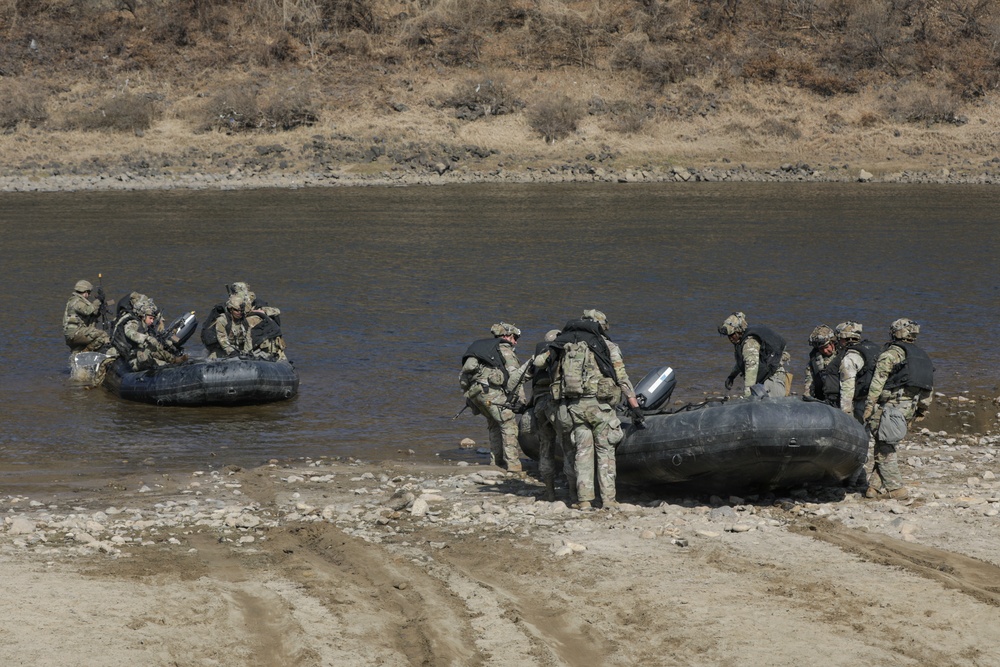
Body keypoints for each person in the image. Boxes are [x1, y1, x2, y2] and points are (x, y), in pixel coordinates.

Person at [545, 310, 641, 511]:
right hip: (600, 407)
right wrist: (634, 405)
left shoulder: (565, 345)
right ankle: (608, 500)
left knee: (583, 452)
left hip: (575, 407)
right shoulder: (607, 346)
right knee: (605, 451)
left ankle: (584, 500)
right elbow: (622, 377)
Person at [861, 318, 934, 500]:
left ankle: (896, 489)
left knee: (884, 448)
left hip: (891, 407)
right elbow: (927, 387)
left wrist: (869, 406)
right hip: (910, 408)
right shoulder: (922, 356)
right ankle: (874, 488)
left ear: (895, 332)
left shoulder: (891, 354)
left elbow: (878, 382)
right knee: (888, 443)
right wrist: (922, 409)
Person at [460, 322, 531, 473]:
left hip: (475, 394)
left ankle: (496, 462)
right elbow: (516, 377)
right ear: (508, 336)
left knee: (494, 424)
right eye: (515, 337)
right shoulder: (505, 350)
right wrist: (522, 401)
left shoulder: (484, 350)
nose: (516, 341)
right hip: (491, 393)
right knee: (508, 424)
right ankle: (513, 464)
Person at [528, 329, 562, 501]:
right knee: (570, 448)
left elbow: (517, 378)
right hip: (558, 404)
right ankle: (574, 491)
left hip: (540, 404)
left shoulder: (538, 356)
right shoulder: (565, 351)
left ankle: (549, 492)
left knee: (546, 448)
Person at [719, 312, 788, 397]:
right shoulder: (741, 342)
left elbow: (751, 366)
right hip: (763, 379)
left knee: (768, 402)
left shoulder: (749, 343)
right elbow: (742, 362)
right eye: (728, 336)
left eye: (732, 335)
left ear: (739, 331)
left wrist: (748, 393)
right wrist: (732, 376)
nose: (730, 338)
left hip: (773, 379)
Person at [112, 297, 184, 371]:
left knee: (156, 348)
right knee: (145, 355)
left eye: (153, 319)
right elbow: (129, 332)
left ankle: (173, 360)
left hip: (137, 350)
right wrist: (147, 338)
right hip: (131, 356)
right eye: (150, 318)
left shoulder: (145, 326)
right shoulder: (134, 322)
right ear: (143, 316)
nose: (152, 321)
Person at [832, 321, 880, 422]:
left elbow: (847, 390)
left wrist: (846, 415)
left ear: (843, 339)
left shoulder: (850, 358)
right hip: (879, 401)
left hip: (863, 404)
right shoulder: (873, 348)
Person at [62, 279, 110, 352]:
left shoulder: (79, 302)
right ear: (85, 292)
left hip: (77, 333)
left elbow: (90, 314)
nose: (89, 295)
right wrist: (98, 300)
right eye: (89, 292)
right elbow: (87, 311)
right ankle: (85, 352)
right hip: (74, 334)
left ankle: (79, 354)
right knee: (102, 335)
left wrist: (100, 310)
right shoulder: (76, 301)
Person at [209, 294, 252, 358]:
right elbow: (222, 339)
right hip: (222, 352)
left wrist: (247, 353)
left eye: (241, 311)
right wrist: (231, 352)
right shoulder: (222, 320)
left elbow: (248, 339)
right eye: (236, 310)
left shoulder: (244, 321)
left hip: (239, 351)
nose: (239, 312)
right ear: (231, 310)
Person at [803, 325, 837, 401]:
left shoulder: (843, 356)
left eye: (826, 347)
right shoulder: (814, 361)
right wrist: (807, 395)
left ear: (833, 342)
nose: (825, 351)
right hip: (822, 397)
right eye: (821, 348)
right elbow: (809, 381)